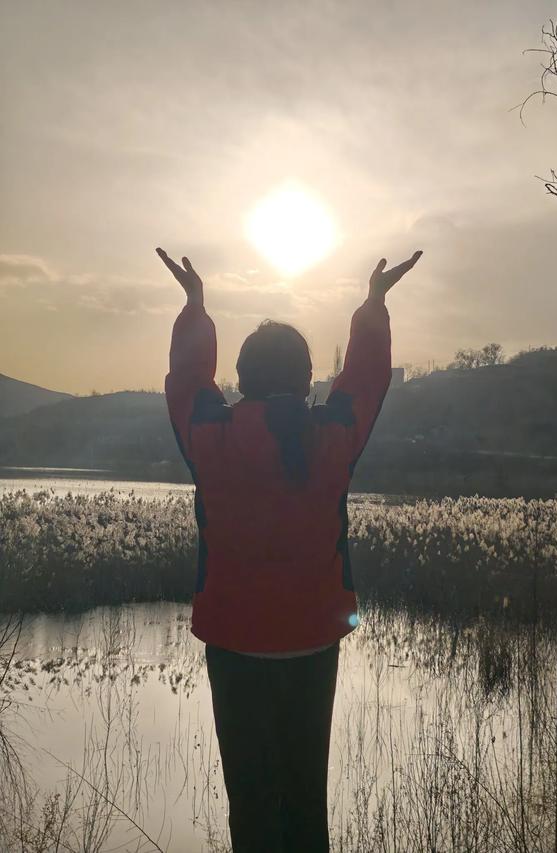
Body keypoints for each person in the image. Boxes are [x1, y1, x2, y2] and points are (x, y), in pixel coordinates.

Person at [158, 245, 422, 853]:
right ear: (307, 380)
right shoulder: (331, 439)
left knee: (250, 801)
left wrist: (196, 310)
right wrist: (373, 307)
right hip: (312, 640)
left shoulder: (209, 437)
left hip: (233, 642)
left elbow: (187, 384)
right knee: (305, 799)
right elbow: (366, 383)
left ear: (242, 381)